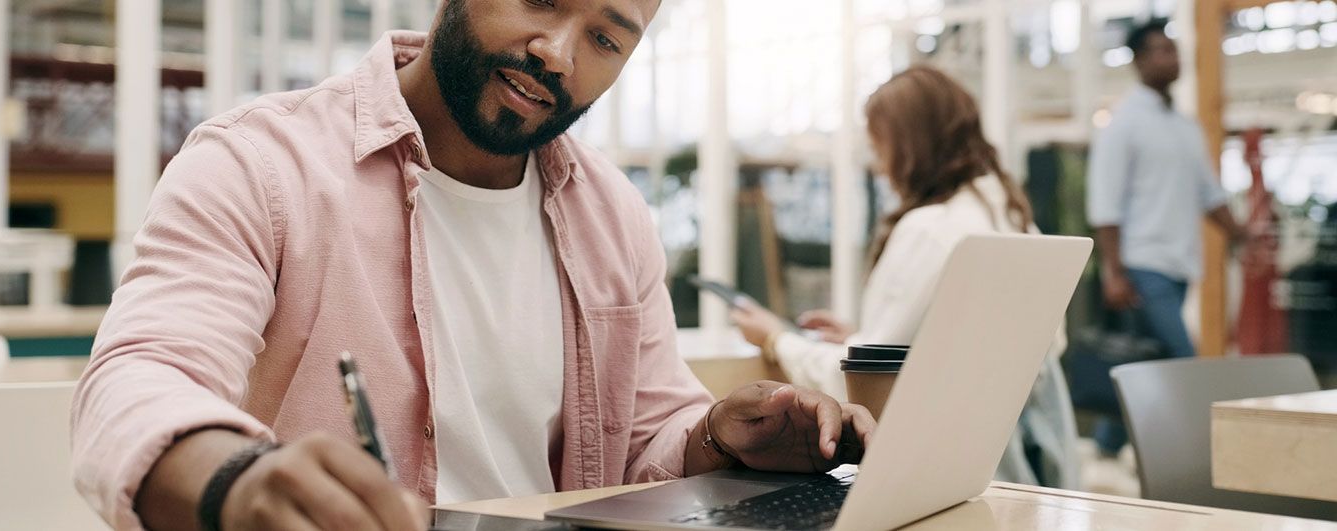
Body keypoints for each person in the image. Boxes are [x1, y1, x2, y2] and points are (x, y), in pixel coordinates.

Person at [69, 1, 876, 530]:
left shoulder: (612, 215)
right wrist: (237, 482)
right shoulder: (260, 163)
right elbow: (140, 379)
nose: (557, 54)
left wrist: (719, 438)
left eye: (603, 37)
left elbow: (645, 447)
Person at [731, 66, 1081, 489]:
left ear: (909, 145)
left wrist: (775, 338)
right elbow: (1009, 348)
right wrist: (861, 336)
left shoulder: (928, 229)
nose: (879, 166)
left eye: (880, 147)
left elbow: (871, 389)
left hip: (934, 471)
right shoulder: (1009, 215)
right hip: (1015, 466)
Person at [1085, 20, 1248, 456]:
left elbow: (1208, 193)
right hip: (1142, 266)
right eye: (1160, 51)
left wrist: (1239, 234)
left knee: (1146, 361)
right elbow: (1105, 205)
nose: (1171, 58)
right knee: (1182, 361)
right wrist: (1113, 273)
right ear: (1138, 61)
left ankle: (1105, 444)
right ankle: (1199, 456)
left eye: (1173, 49)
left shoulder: (1184, 127)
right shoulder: (1123, 125)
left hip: (1179, 265)